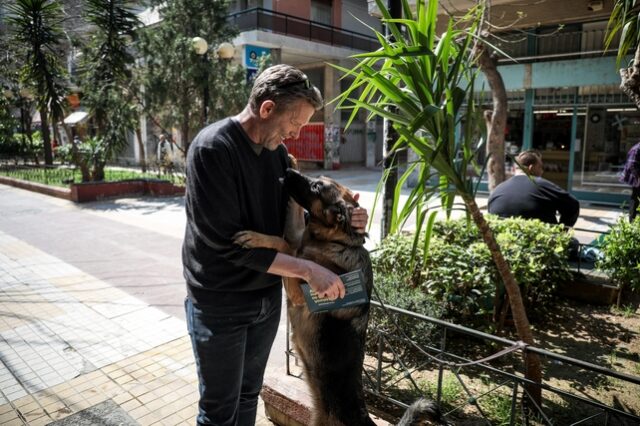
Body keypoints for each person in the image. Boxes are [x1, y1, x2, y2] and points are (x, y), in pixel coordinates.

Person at [181, 64, 368, 426]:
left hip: (264, 301)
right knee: (219, 410)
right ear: (267, 109)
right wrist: (307, 269)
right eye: (293, 124)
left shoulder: (278, 155)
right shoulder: (212, 149)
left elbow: (297, 223)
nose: (295, 135)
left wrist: (351, 218)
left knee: (250, 394)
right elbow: (226, 244)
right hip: (221, 302)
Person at [488, 150, 580, 228]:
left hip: (503, 243)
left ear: (514, 169)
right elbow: (573, 205)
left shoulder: (498, 189)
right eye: (540, 167)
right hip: (540, 244)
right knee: (573, 244)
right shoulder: (543, 185)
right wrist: (561, 231)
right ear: (530, 168)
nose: (542, 171)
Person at [619, 141, 640, 221]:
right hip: (636, 179)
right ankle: (632, 221)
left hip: (637, 178)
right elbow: (632, 165)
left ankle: (632, 220)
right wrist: (638, 178)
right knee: (635, 199)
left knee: (635, 198)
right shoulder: (637, 148)